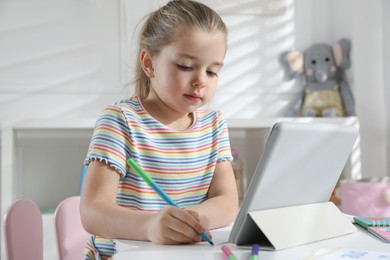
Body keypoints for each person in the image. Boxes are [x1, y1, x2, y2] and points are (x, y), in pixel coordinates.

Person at [80, 0, 238, 259]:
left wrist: (194, 220)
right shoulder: (120, 121)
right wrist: (150, 226)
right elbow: (92, 211)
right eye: (186, 66)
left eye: (212, 71)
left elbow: (227, 201)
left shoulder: (214, 125)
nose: (200, 81)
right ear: (149, 63)